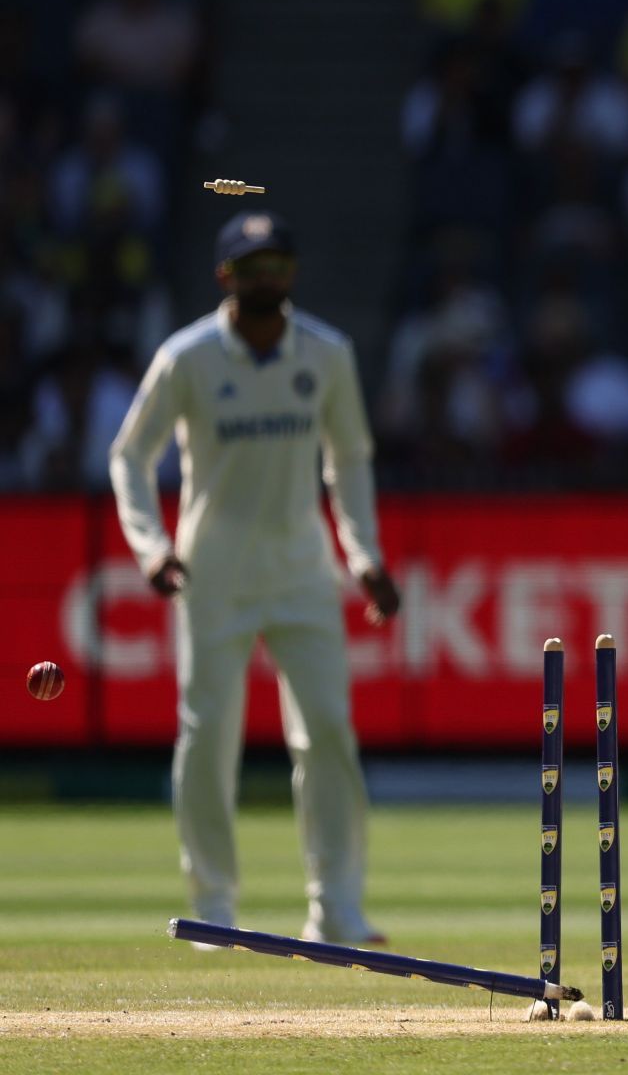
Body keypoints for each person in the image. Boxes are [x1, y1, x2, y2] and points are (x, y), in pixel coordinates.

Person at [108, 211, 401, 945]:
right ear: (224, 276)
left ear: (293, 273)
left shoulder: (328, 354)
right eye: (251, 266)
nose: (266, 278)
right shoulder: (189, 357)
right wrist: (150, 547)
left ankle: (335, 905)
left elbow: (351, 461)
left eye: (277, 264)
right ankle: (213, 907)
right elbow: (129, 457)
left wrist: (363, 556)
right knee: (207, 736)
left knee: (328, 732)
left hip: (303, 566)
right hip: (213, 570)